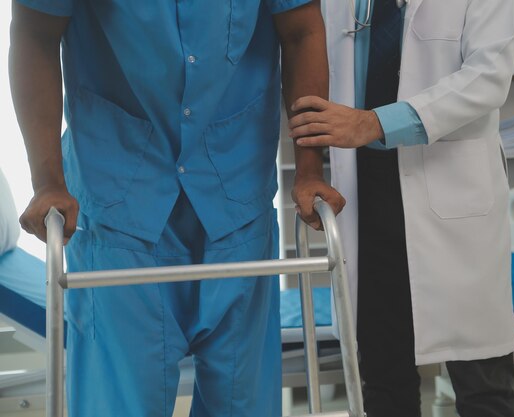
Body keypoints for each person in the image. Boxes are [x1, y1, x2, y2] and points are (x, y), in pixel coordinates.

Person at [9, 1, 344, 416]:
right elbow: (35, 33)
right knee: (120, 406)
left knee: (245, 405)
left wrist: (310, 170)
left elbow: (301, 32)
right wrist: (47, 183)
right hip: (119, 198)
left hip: (235, 194)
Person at [289, 0, 514, 416]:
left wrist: (374, 123)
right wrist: (311, 168)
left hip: (452, 199)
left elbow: (488, 77)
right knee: (383, 382)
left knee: (483, 386)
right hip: (365, 195)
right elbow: (310, 70)